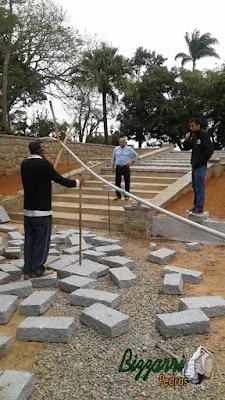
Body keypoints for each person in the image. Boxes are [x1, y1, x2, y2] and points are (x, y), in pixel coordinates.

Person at [21, 140, 84, 279]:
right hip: (42, 211)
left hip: (28, 210)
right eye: (44, 150)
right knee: (42, 241)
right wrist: (78, 182)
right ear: (41, 151)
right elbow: (61, 181)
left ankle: (27, 270)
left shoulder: (24, 164)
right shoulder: (44, 165)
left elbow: (38, 179)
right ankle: (37, 269)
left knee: (29, 240)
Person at [184, 117, 214, 214]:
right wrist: (187, 140)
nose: (191, 128)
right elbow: (187, 147)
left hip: (201, 166)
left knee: (199, 186)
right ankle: (196, 206)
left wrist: (201, 161)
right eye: (190, 126)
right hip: (194, 166)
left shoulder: (204, 135)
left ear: (198, 125)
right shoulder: (195, 136)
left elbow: (210, 150)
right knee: (195, 186)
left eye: (192, 126)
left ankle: (199, 207)